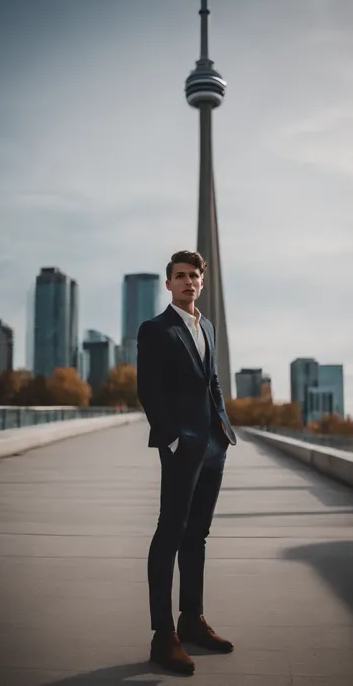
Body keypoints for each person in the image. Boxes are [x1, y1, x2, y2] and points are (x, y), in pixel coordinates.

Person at [137, 250, 237, 675]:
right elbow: (149, 388)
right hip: (181, 446)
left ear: (202, 281)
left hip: (213, 444)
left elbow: (211, 378)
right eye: (180, 276)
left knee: (197, 534)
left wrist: (224, 428)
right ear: (169, 284)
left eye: (194, 276)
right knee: (170, 533)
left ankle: (191, 620)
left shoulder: (207, 326)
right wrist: (172, 438)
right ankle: (164, 635)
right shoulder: (156, 329)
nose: (188, 282)